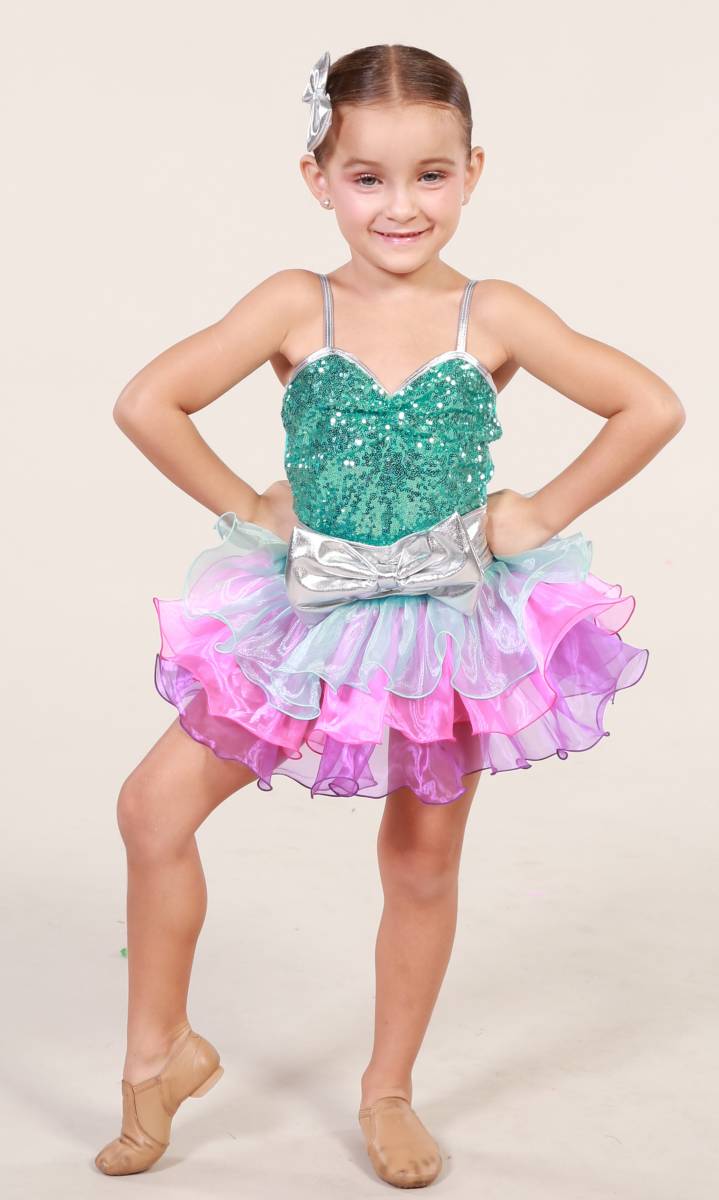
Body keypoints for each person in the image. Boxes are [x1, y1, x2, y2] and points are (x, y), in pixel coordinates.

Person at [94, 44, 684, 1189]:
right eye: (366, 177)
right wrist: (249, 507)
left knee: (418, 863)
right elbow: (146, 401)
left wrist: (534, 512)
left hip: (441, 630)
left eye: (429, 175)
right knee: (150, 808)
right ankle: (155, 1061)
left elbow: (646, 406)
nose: (400, 205)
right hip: (308, 617)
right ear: (317, 177)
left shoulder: (488, 312)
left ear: (472, 172)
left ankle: (387, 1089)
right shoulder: (294, 302)